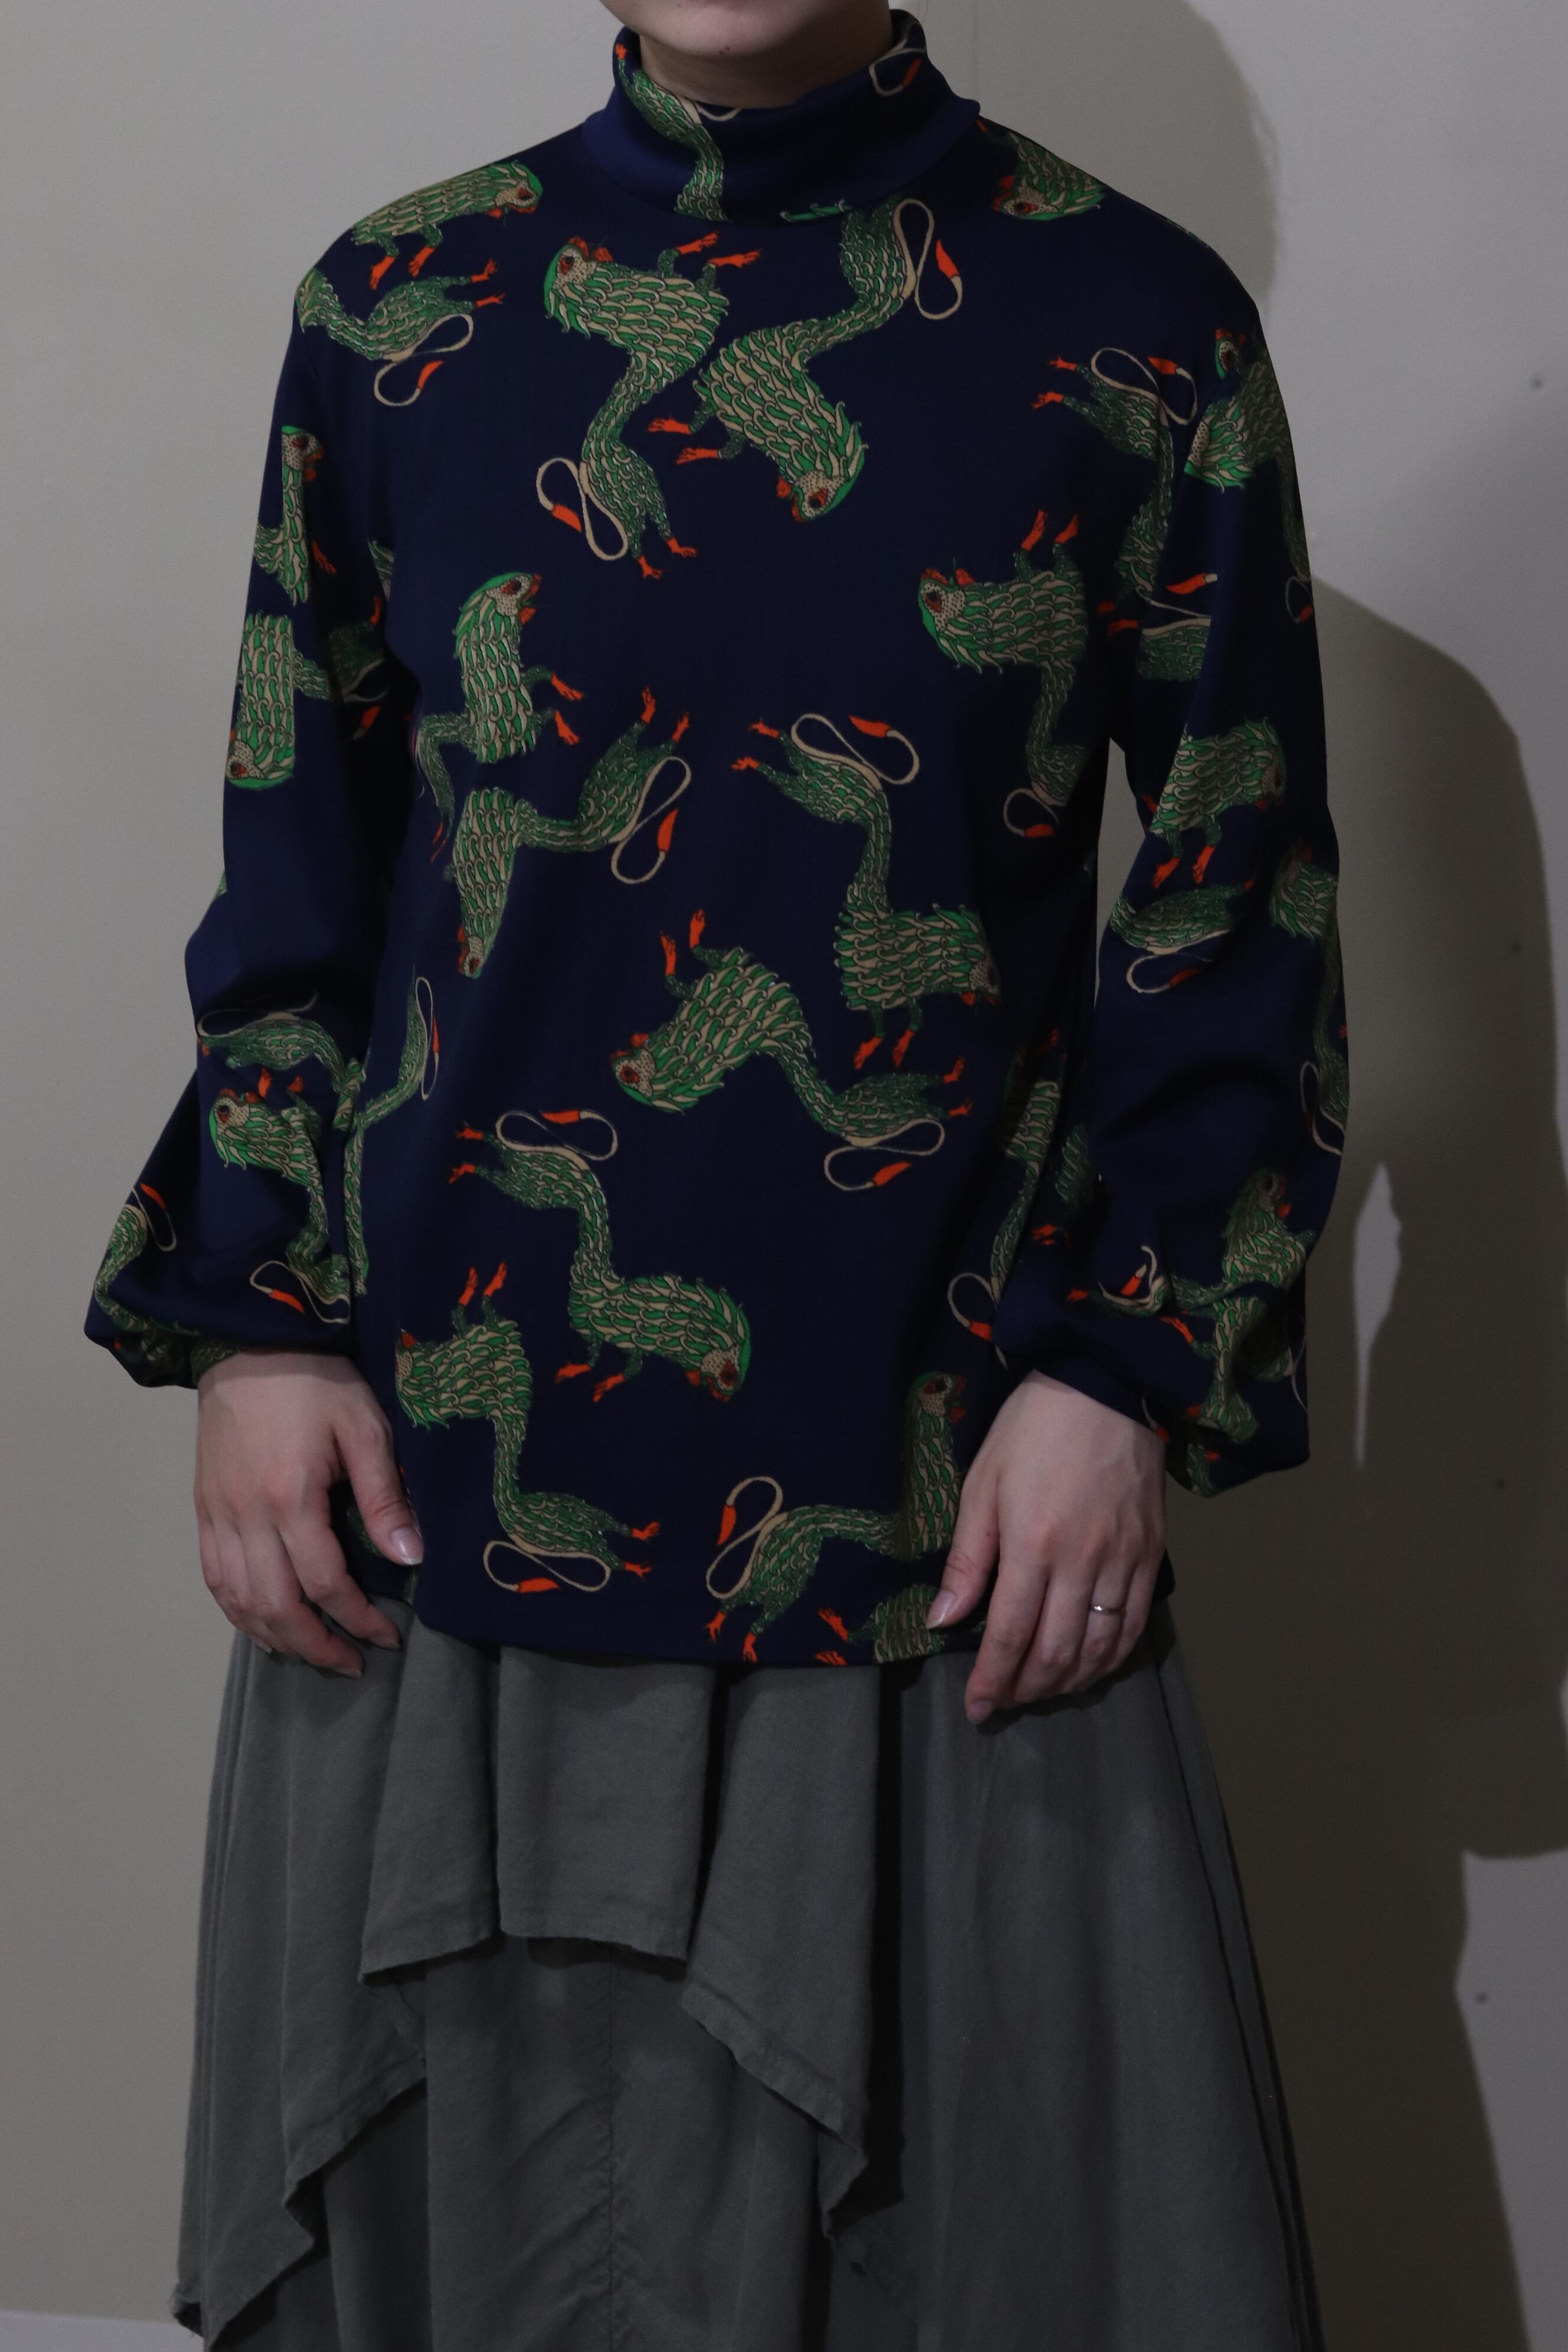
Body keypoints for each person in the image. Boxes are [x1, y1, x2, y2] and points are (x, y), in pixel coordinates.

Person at [85, 1, 1342, 2343]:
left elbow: (1234, 905)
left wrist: (1124, 1374)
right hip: (444, 1483)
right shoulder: (401, 306)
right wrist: (259, 1324)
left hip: (939, 1497)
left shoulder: (1137, 325)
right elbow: (299, 868)